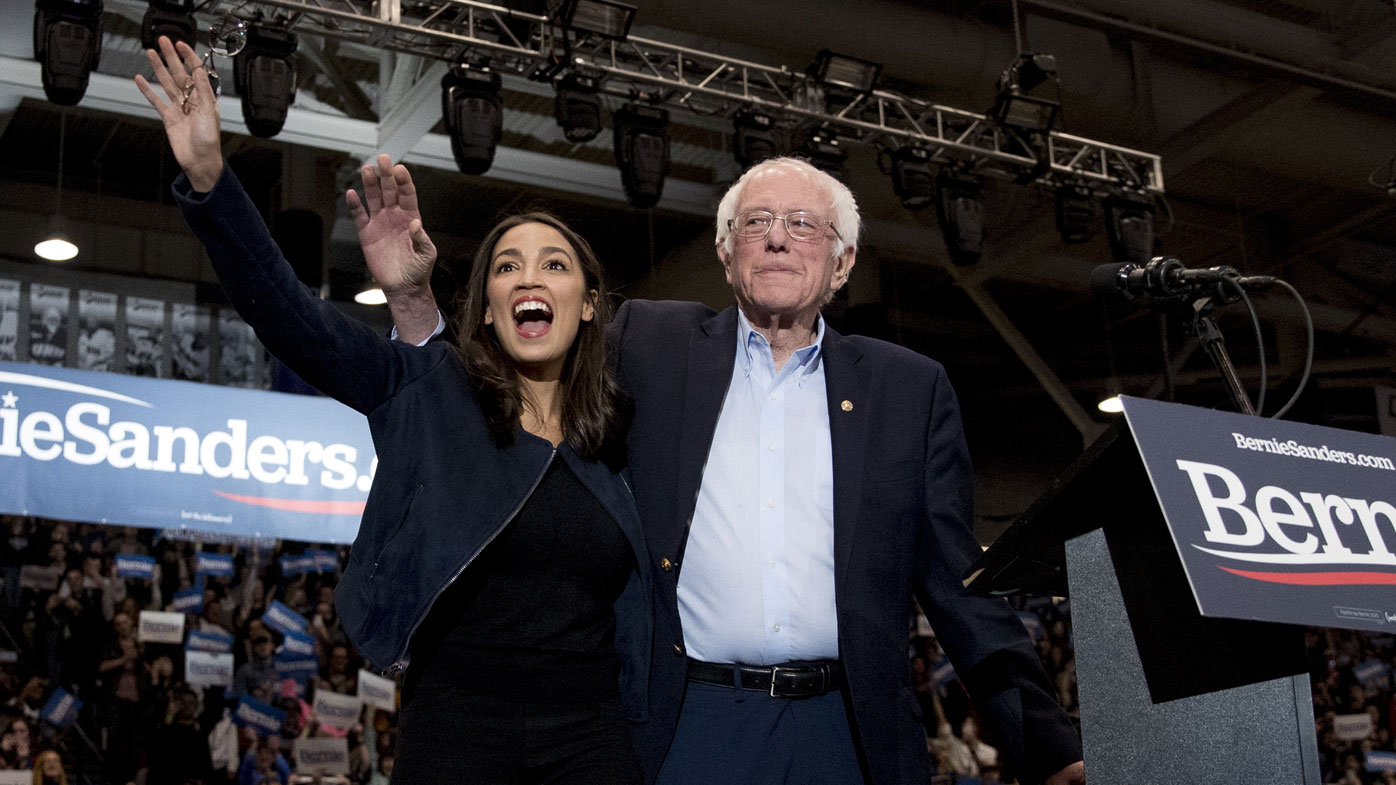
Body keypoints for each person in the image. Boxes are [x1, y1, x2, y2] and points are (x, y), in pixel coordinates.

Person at [384, 157, 1086, 783]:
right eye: (758, 221)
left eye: (804, 223)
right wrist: (416, 305)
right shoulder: (649, 343)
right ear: (726, 252)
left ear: (842, 263)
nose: (778, 236)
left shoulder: (909, 389)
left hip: (848, 731)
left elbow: (962, 588)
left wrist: (1052, 748)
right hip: (688, 725)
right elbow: (504, 385)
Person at [135, 37, 653, 785]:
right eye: (505, 266)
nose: (526, 277)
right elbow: (293, 323)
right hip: (455, 726)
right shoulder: (432, 395)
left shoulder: (622, 434)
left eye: (553, 264)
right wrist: (213, 180)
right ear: (484, 310)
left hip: (594, 732)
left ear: (590, 302)